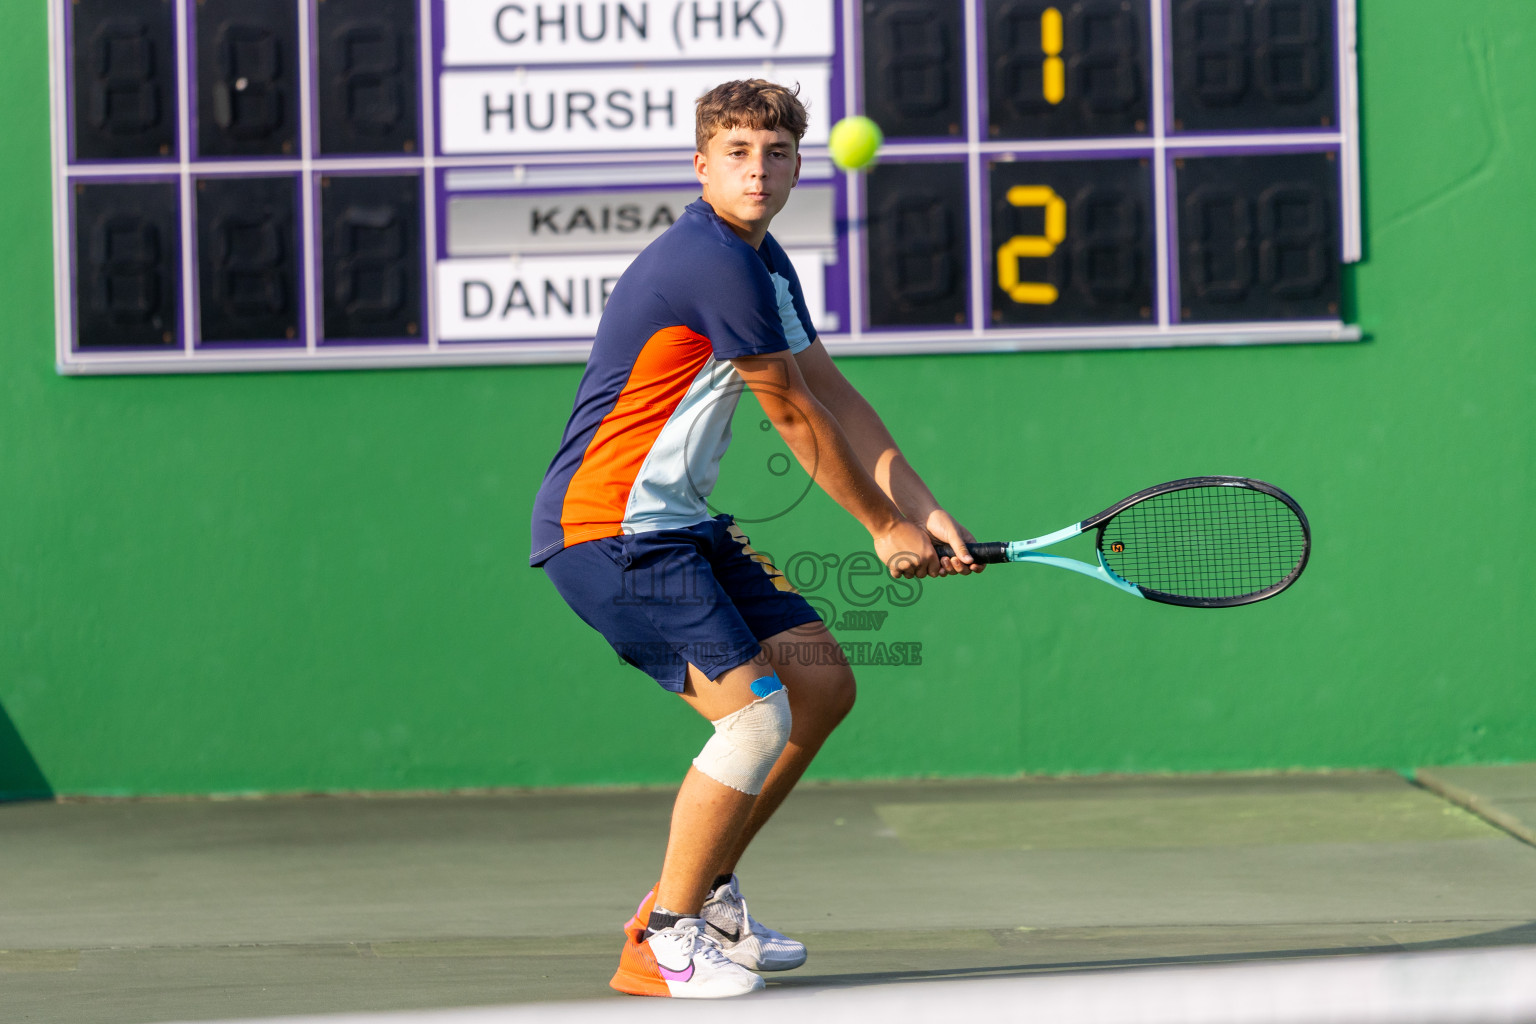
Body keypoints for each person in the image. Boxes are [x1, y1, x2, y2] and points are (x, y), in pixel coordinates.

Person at [530, 79, 983, 999]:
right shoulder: (710, 260)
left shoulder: (764, 261)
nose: (758, 169)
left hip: (680, 527)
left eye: (776, 153)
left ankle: (701, 898)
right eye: (738, 152)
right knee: (753, 714)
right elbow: (786, 411)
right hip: (610, 532)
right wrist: (880, 528)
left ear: (797, 167)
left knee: (819, 685)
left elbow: (831, 393)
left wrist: (923, 507)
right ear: (702, 166)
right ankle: (661, 938)